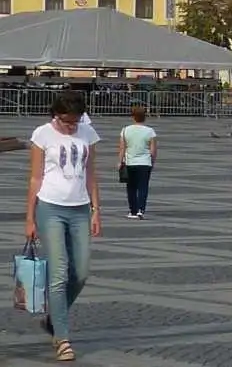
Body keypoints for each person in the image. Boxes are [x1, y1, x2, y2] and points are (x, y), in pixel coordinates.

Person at [27, 92, 102, 361]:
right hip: (50, 208)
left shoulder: (87, 134)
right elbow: (35, 178)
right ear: (55, 115)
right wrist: (30, 218)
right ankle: (62, 337)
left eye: (75, 122)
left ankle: (54, 318)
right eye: (66, 122)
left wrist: (96, 210)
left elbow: (91, 173)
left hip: (80, 208)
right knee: (58, 274)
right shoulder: (42, 134)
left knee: (80, 273)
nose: (71, 127)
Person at [118, 106, 157, 220]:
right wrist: (152, 162)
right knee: (143, 187)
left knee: (131, 187)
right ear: (144, 117)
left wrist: (120, 161)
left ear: (133, 117)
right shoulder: (150, 131)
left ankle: (132, 210)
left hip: (130, 162)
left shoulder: (125, 130)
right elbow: (153, 150)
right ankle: (141, 210)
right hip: (145, 162)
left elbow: (122, 148)